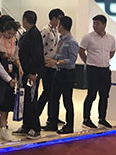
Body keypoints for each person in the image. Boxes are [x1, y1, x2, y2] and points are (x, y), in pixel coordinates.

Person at [80, 14, 116, 129]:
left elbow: (112, 52)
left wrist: (104, 60)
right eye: (94, 23)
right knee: (91, 95)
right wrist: (88, 62)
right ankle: (86, 119)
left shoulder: (111, 38)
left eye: (97, 23)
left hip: (105, 70)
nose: (95, 26)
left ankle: (102, 119)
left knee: (104, 95)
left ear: (104, 25)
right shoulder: (88, 37)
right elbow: (81, 51)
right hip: (92, 69)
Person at [45, 16, 79, 134]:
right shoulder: (61, 40)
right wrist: (49, 60)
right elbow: (58, 55)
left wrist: (57, 62)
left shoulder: (72, 42)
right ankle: (52, 123)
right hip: (58, 72)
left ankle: (69, 126)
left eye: (59, 25)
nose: (57, 27)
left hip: (67, 74)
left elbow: (72, 60)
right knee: (54, 98)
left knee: (67, 100)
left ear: (62, 26)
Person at [18, 10, 45, 138]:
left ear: (25, 19)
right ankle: (26, 125)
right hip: (24, 72)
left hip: (31, 74)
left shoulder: (34, 34)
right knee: (25, 99)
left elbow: (36, 55)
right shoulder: (27, 33)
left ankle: (35, 128)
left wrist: (34, 72)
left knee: (31, 100)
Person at [38, 8, 65, 123]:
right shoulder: (46, 31)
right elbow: (39, 48)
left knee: (54, 94)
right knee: (47, 92)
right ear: (53, 18)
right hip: (47, 66)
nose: (60, 22)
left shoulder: (55, 31)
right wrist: (44, 60)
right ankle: (35, 114)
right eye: (59, 19)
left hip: (54, 65)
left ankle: (53, 117)